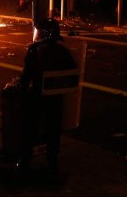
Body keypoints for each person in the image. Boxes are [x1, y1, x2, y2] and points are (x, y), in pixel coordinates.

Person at [18, 18, 76, 176]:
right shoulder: (63, 51)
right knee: (53, 131)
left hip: (37, 96)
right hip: (56, 97)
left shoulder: (35, 50)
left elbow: (27, 74)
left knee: (30, 129)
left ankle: (25, 161)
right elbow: (72, 72)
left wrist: (21, 88)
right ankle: (52, 162)